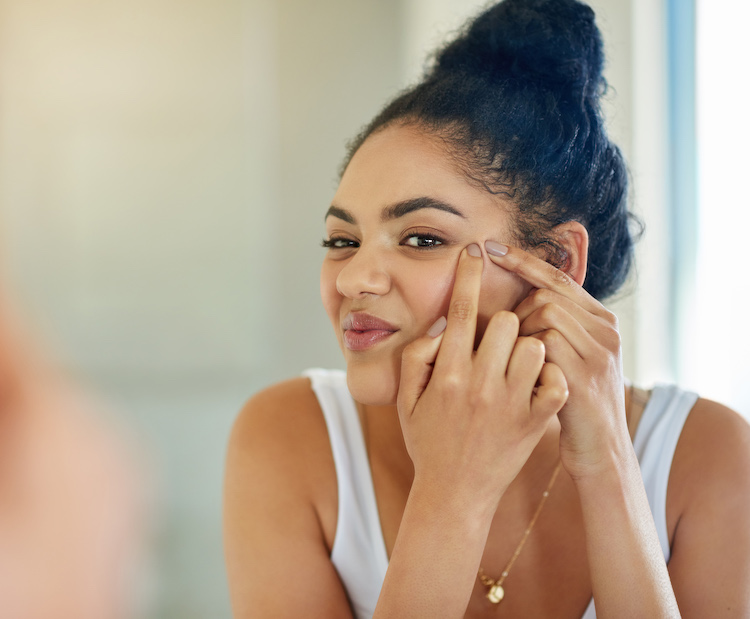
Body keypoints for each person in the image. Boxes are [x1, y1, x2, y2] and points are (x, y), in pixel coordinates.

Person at [223, 0, 750, 616]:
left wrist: (608, 460)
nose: (354, 279)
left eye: (422, 238)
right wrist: (452, 494)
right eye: (343, 241)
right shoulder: (290, 440)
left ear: (555, 262)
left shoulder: (708, 456)